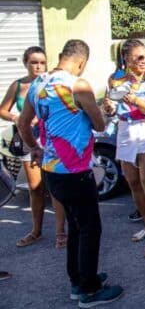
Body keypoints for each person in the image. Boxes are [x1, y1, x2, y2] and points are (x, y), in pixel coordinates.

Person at [18, 39, 123, 307]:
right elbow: (99, 124)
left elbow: (22, 123)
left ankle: (78, 281)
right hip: (75, 170)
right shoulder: (78, 85)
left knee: (76, 226)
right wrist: (103, 111)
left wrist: (34, 148)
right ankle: (88, 291)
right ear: (81, 62)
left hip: (52, 170)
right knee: (90, 227)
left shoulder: (38, 84)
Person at [103, 39, 145, 257]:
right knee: (132, 181)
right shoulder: (115, 79)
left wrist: (134, 100)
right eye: (139, 57)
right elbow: (110, 106)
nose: (144, 61)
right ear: (126, 59)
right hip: (126, 130)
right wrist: (109, 108)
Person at [0, 46, 66, 248]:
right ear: (26, 64)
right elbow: (3, 110)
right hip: (29, 141)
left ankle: (60, 233)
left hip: (52, 141)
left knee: (55, 189)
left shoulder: (52, 82)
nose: (38, 66)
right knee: (36, 189)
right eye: (34, 62)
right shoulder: (18, 85)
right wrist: (16, 117)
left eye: (42, 62)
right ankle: (36, 231)